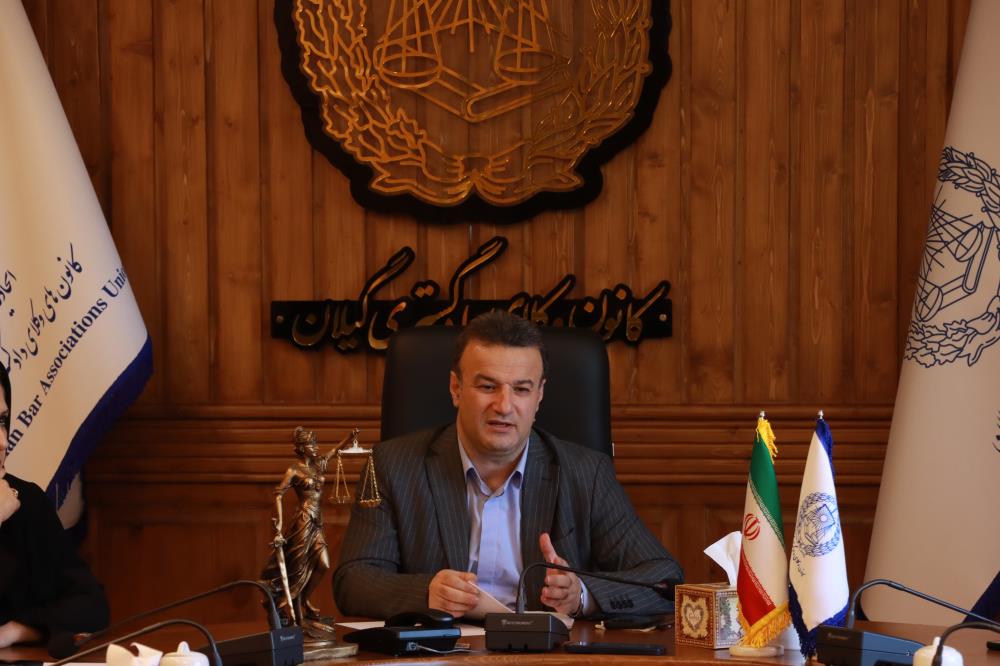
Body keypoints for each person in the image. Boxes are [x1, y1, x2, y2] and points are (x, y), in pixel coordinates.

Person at [333, 311, 683, 619]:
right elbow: (353, 581)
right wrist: (426, 594)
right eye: (488, 386)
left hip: (547, 657)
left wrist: (581, 595)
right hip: (442, 655)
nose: (504, 405)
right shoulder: (393, 466)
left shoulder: (585, 474)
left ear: (539, 395)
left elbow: (665, 580)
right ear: (456, 388)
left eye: (521, 389)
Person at [0, 364, 109, 650]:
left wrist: (16, 631)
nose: (3, 441)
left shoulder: (24, 500)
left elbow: (91, 605)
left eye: (2, 421)